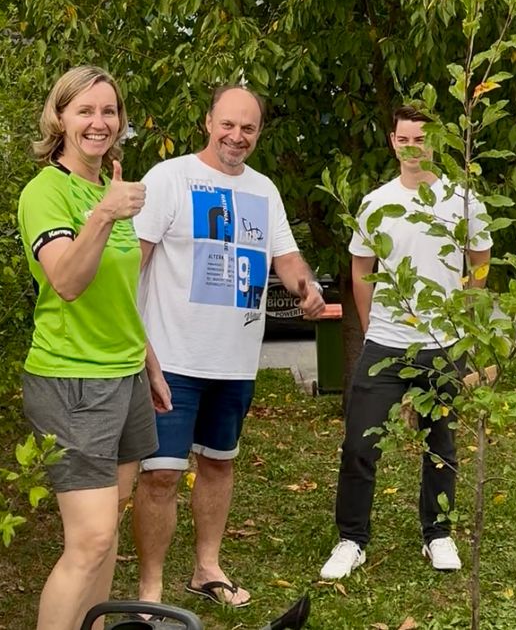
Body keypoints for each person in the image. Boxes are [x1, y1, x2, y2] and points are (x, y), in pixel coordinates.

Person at [131, 85, 325, 608]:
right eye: (228, 124)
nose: (236, 136)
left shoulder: (265, 190)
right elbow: (132, 266)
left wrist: (308, 288)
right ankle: (149, 590)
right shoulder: (168, 178)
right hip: (170, 359)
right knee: (162, 474)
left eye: (249, 128)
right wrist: (139, 351)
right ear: (207, 121)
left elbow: (287, 258)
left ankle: (206, 569)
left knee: (218, 463)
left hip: (235, 362)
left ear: (259, 132)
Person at [17, 66, 170, 630]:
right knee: (91, 540)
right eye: (85, 111)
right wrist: (104, 213)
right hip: (71, 381)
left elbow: (118, 294)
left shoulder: (108, 183)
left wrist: (147, 362)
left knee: (105, 540)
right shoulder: (47, 192)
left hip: (124, 376)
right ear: (59, 117)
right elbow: (69, 282)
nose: (99, 123)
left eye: (109, 112)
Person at [320, 105, 493, 580]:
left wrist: (462, 316)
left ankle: (437, 535)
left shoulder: (461, 199)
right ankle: (351, 540)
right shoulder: (375, 202)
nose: (412, 146)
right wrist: (373, 323)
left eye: (421, 137)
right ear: (392, 142)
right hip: (386, 344)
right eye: (404, 138)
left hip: (441, 345)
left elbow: (480, 259)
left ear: (434, 140)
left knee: (441, 443)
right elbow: (361, 271)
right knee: (359, 444)